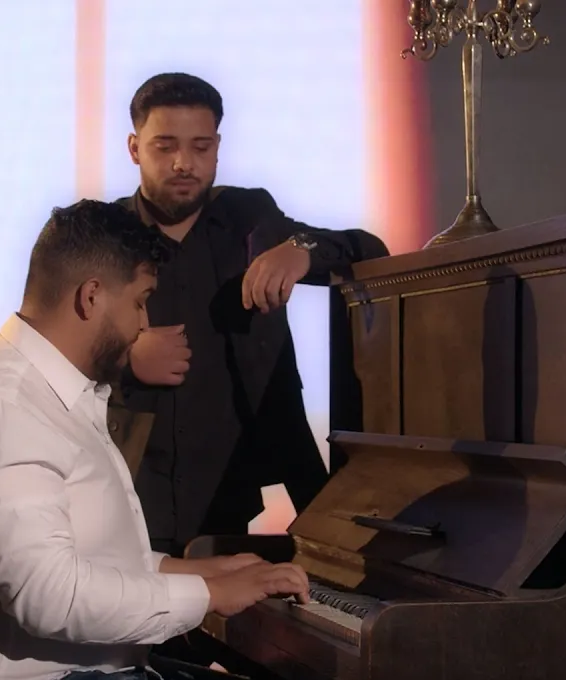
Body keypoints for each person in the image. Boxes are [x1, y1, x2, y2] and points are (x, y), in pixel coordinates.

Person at [0, 199, 312, 680]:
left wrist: (202, 569)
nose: (144, 324)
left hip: (75, 679)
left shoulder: (46, 393)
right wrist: (208, 594)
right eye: (140, 303)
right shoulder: (4, 408)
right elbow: (47, 595)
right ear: (91, 296)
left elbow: (85, 561)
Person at [110, 72, 389, 559]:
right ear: (135, 148)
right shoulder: (103, 233)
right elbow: (52, 343)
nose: (183, 163)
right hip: (126, 489)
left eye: (200, 147)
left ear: (217, 148)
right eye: (165, 146)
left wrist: (301, 248)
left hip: (231, 492)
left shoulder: (249, 217)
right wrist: (125, 359)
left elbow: (369, 250)